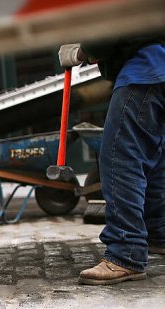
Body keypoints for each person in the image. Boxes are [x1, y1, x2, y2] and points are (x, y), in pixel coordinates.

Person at [58, 33, 165, 285]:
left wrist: (80, 52)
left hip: (145, 69)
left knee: (121, 159)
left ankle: (126, 253)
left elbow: (111, 26)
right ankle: (159, 235)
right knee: (158, 159)